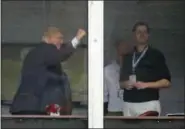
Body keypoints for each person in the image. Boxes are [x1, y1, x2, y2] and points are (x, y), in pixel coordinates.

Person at [10, 27, 86, 115]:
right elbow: (61, 54)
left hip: (28, 106)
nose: (61, 41)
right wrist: (77, 38)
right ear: (46, 39)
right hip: (36, 108)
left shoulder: (37, 53)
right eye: (59, 38)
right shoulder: (46, 49)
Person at [120, 21, 171, 117]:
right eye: (139, 32)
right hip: (128, 104)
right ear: (134, 35)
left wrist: (146, 85)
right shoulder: (128, 56)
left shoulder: (156, 55)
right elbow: (120, 83)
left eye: (144, 32)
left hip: (148, 103)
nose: (142, 34)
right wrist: (125, 84)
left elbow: (166, 82)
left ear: (148, 35)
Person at [104, 40, 132, 116]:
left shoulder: (136, 70)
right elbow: (104, 97)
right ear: (117, 52)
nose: (124, 57)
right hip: (114, 112)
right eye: (121, 54)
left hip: (133, 112)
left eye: (127, 54)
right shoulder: (107, 71)